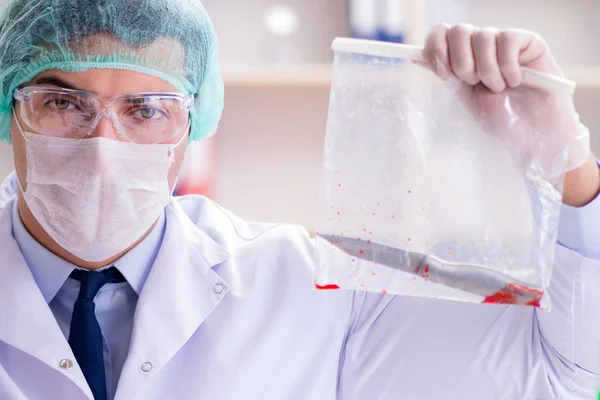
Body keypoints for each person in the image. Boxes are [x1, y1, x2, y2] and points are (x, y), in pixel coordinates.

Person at [0, 0, 597, 399]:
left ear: (193, 124)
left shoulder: (307, 286)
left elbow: (562, 372)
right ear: (10, 108)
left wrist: (567, 167)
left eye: (146, 109)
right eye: (63, 102)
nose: (104, 144)